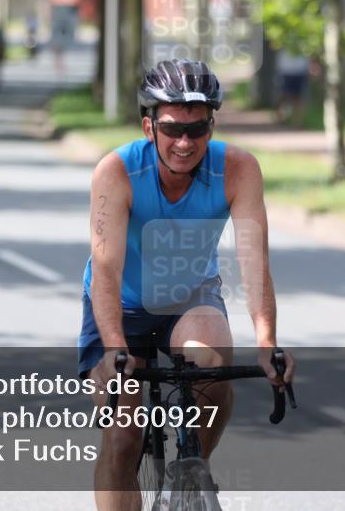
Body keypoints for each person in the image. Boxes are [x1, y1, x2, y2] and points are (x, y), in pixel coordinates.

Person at [78, 58, 295, 510]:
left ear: (212, 128)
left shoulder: (238, 168)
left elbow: (254, 261)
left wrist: (268, 341)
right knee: (124, 433)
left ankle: (191, 467)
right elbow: (106, 270)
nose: (184, 142)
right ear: (148, 127)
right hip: (122, 303)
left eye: (197, 131)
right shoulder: (115, 172)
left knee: (214, 368)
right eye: (173, 129)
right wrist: (116, 346)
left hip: (190, 299)